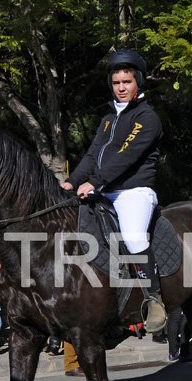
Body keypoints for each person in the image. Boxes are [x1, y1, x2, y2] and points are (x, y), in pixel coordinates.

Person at [61, 48, 166, 332]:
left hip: (134, 191)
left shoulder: (147, 118)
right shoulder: (108, 120)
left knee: (133, 238)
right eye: (117, 82)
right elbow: (93, 155)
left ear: (138, 83)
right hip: (106, 191)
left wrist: (94, 182)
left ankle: (154, 299)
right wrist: (72, 182)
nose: (121, 87)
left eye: (127, 82)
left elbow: (125, 156)